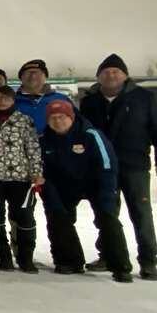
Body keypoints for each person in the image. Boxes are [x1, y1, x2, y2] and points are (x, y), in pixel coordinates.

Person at [79, 53, 157, 280]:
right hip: (102, 168)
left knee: (141, 214)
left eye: (116, 71)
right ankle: (108, 255)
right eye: (106, 72)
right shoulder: (90, 102)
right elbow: (84, 134)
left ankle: (148, 261)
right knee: (106, 214)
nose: (111, 75)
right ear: (98, 76)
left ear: (125, 75)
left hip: (134, 165)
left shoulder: (143, 98)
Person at [41, 99, 132, 282]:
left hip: (96, 182)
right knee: (57, 216)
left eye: (62, 117)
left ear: (72, 117)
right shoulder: (45, 139)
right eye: (53, 118)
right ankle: (69, 260)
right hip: (65, 184)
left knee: (107, 217)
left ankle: (120, 266)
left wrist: (108, 192)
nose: (58, 121)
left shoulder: (91, 134)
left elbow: (107, 164)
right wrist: (48, 191)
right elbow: (44, 169)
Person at [0, 84, 42, 273]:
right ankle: (4, 254)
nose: (2, 101)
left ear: (13, 100)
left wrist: (36, 172)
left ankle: (25, 256)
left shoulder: (24, 120)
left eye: (6, 98)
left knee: (24, 217)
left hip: (20, 177)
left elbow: (33, 148)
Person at [14, 58, 71, 133]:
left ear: (45, 77)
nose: (32, 76)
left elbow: (79, 124)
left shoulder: (61, 99)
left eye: (37, 73)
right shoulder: (10, 101)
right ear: (21, 78)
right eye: (28, 73)